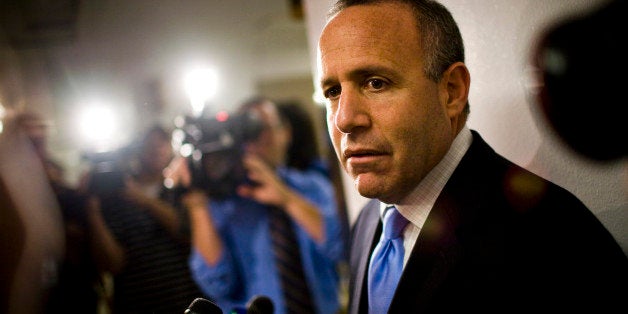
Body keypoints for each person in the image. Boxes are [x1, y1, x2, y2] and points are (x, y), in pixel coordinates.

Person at [317, 1, 628, 313]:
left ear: (452, 91)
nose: (344, 119)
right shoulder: (368, 222)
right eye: (332, 92)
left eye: (376, 83)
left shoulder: (556, 241)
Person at [179, 97, 347, 314]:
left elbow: (344, 248)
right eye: (248, 131)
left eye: (265, 127)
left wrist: (286, 198)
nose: (259, 139)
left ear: (286, 133)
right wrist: (198, 204)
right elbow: (217, 283)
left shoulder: (313, 187)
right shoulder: (223, 203)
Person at [85, 124, 204, 313]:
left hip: (187, 302)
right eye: (149, 145)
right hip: (137, 303)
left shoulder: (181, 191)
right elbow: (113, 263)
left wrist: (141, 198)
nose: (156, 150)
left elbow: (187, 234)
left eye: (162, 144)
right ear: (138, 150)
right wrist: (92, 211)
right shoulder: (117, 198)